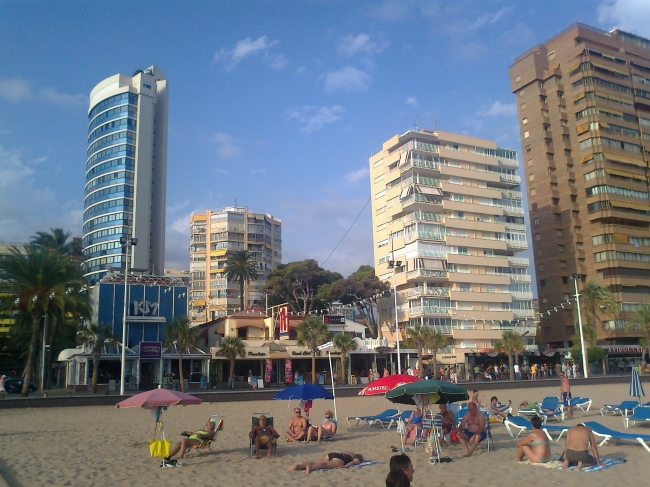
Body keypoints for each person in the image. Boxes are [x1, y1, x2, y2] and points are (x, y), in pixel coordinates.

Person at [287, 452, 363, 474]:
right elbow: (353, 462)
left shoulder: (349, 453)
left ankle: (300, 466)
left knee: (316, 462)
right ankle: (312, 468)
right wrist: (345, 466)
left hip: (332, 454)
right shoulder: (356, 458)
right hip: (340, 459)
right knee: (326, 465)